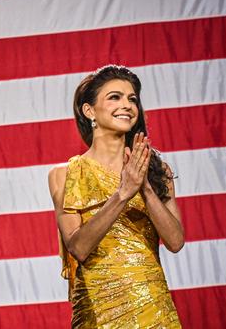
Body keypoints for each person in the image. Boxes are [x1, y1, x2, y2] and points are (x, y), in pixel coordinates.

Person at [47, 65, 184, 327]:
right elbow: (79, 247)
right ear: (89, 111)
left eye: (132, 98)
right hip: (98, 312)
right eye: (114, 97)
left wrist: (143, 187)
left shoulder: (156, 170)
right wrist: (123, 193)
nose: (127, 105)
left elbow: (176, 241)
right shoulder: (65, 174)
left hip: (153, 307)